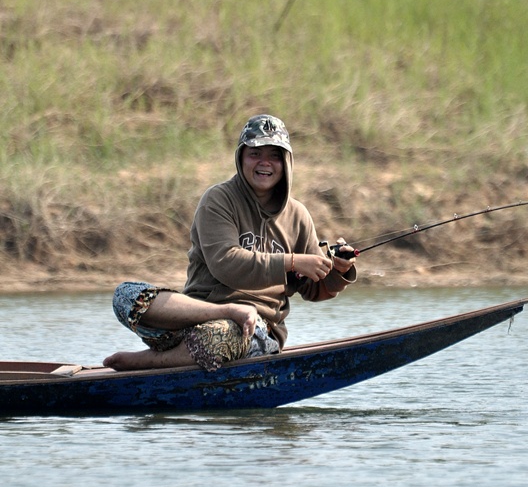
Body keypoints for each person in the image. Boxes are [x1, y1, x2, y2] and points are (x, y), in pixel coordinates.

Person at [104, 114, 356, 372]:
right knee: (125, 295)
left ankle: (145, 362)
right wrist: (290, 262)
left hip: (254, 332)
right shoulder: (218, 200)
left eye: (274, 155)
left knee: (221, 335)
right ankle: (192, 344)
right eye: (255, 154)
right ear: (241, 157)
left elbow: (315, 288)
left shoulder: (299, 215)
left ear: (286, 162)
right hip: (197, 318)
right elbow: (226, 263)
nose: (265, 163)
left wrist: (340, 270)